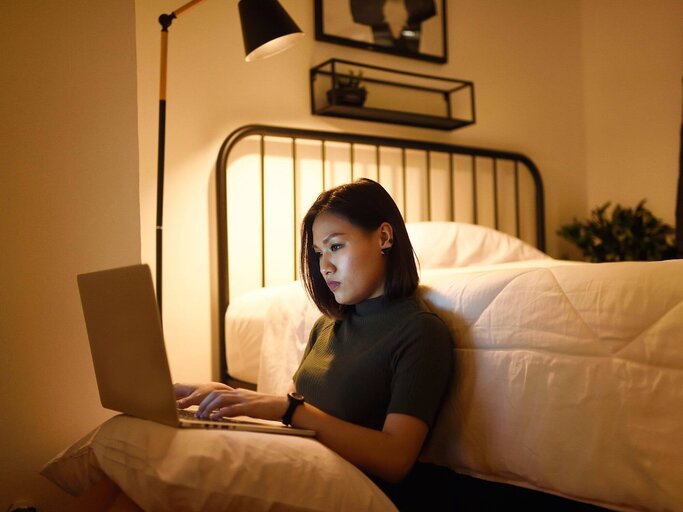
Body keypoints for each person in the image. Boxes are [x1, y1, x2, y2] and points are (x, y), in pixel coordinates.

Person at [175, 178, 454, 509]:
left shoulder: (420, 332)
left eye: (335, 247)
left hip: (356, 495)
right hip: (301, 471)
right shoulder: (326, 327)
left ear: (384, 237)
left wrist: (291, 409)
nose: (324, 267)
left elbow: (396, 459)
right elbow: (292, 414)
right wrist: (223, 397)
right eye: (319, 253)